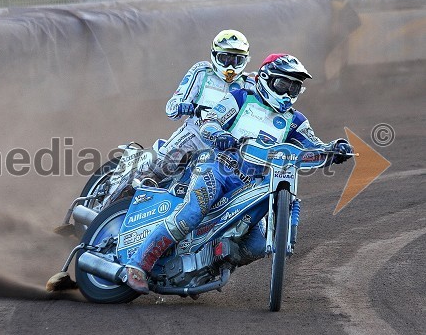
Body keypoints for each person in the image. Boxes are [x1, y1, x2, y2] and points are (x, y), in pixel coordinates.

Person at [125, 53, 353, 294]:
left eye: (294, 87)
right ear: (266, 79)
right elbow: (211, 120)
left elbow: (313, 144)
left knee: (256, 245)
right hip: (217, 167)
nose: (287, 93)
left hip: (252, 187)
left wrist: (334, 148)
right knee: (192, 214)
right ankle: (138, 264)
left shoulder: (295, 121)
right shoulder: (241, 97)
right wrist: (218, 134)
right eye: (283, 84)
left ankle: (206, 266)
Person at [142, 29, 256, 181]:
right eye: (225, 59)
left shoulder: (250, 84)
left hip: (226, 144)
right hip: (195, 132)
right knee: (162, 168)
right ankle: (132, 186)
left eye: (237, 60)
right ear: (214, 55)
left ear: (245, 60)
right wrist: (183, 106)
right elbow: (172, 107)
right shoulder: (202, 71)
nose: (231, 66)